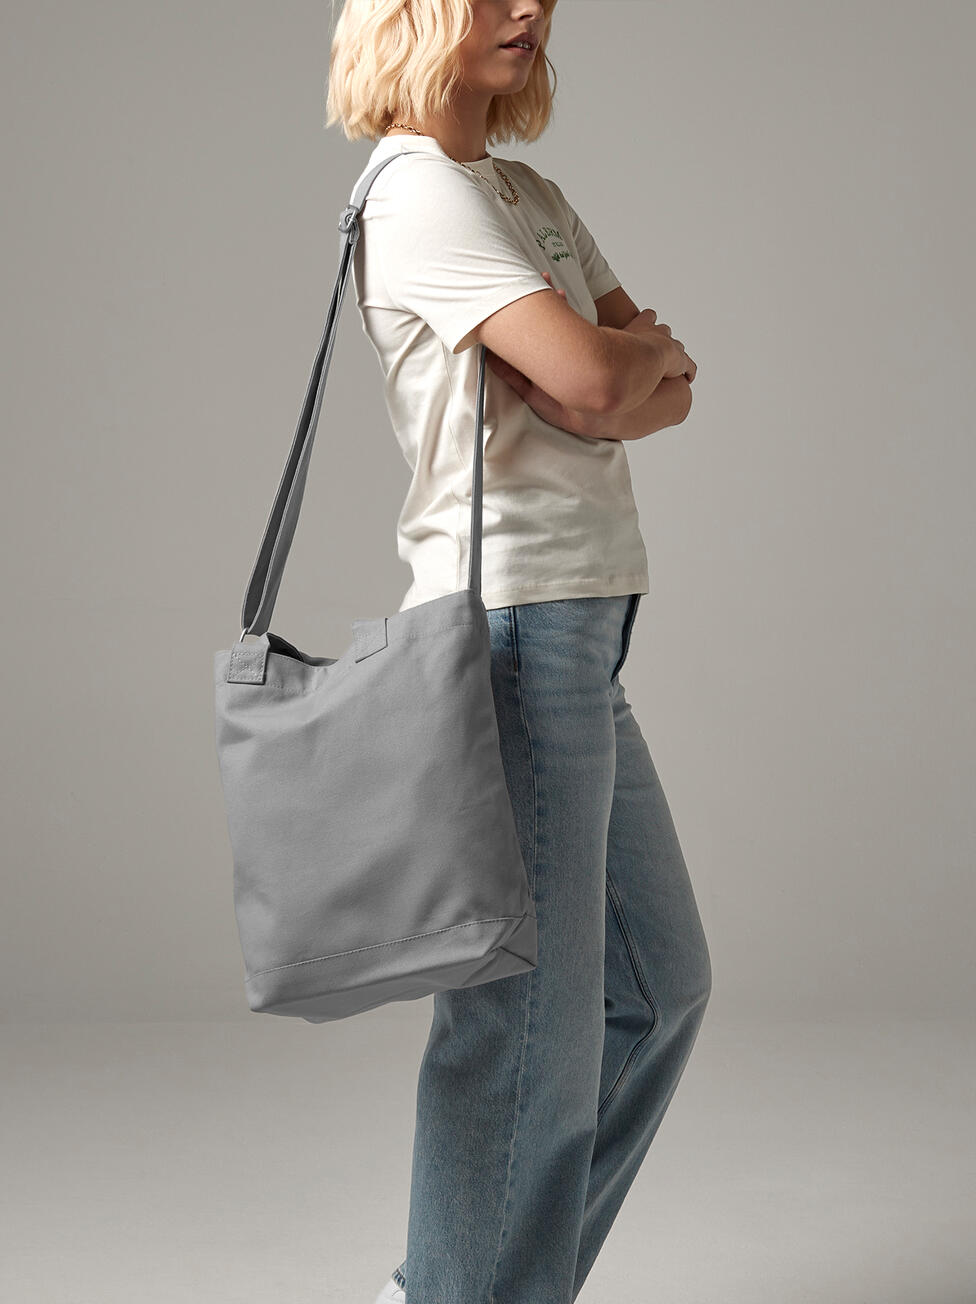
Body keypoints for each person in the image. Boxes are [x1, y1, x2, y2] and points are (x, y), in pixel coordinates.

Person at [326, 3, 712, 1301]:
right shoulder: (417, 193)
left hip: (583, 628)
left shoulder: (524, 193)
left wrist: (611, 369)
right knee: (523, 1029)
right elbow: (607, 385)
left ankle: (475, 1288)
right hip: (516, 628)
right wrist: (612, 370)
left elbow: (658, 385)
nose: (529, 9)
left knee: (654, 994)